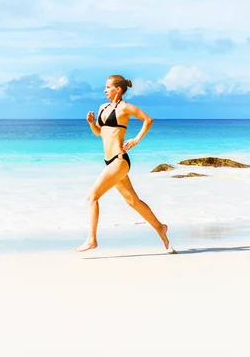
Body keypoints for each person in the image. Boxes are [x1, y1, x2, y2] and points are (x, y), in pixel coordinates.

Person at [75, 75, 176, 254]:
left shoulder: (125, 108)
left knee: (92, 197)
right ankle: (160, 227)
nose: (105, 90)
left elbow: (148, 120)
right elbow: (100, 133)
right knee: (132, 201)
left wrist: (136, 140)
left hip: (119, 160)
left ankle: (92, 240)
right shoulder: (102, 107)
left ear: (118, 89)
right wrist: (91, 123)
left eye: (108, 87)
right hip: (108, 161)